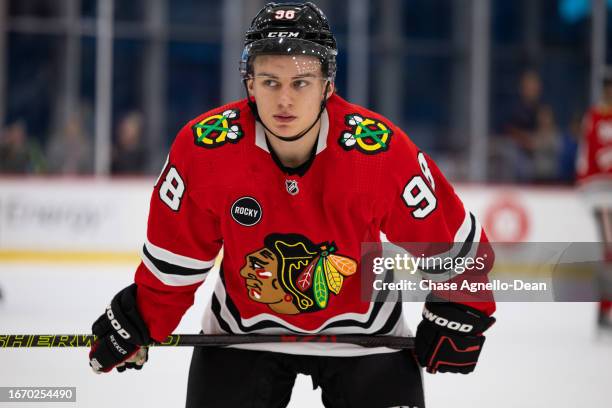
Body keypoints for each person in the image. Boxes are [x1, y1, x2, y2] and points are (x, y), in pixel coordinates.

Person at [88, 3, 496, 407]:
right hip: (241, 336)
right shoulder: (204, 149)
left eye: (300, 83)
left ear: (327, 85)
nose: (284, 99)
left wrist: (463, 305)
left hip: (366, 337)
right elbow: (177, 258)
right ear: (249, 84)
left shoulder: (378, 152)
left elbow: (454, 243)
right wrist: (142, 319)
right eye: (269, 82)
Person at [576, 73, 612, 335]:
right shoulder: (594, 117)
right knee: (609, 252)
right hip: (601, 193)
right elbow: (584, 156)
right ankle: (605, 308)